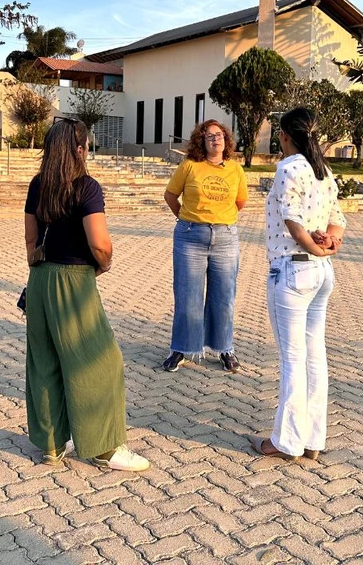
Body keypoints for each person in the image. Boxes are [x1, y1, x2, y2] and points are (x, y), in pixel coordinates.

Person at [23, 118, 150, 472]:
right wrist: (103, 265)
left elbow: (31, 243)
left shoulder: (38, 185)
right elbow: (99, 243)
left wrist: (42, 270)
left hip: (40, 280)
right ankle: (105, 447)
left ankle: (50, 446)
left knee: (44, 362)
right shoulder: (87, 188)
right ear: (80, 149)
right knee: (101, 362)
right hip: (74, 281)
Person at [251, 107, 346, 461]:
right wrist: (328, 246)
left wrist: (312, 247)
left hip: (292, 271)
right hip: (321, 275)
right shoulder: (324, 171)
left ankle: (285, 442)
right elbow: (337, 222)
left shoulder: (289, 167)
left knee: (293, 360)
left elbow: (292, 222)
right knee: (314, 357)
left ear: (285, 136)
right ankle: (312, 441)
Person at [162, 119, 249, 373]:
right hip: (190, 238)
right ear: (201, 140)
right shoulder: (189, 166)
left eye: (219, 135)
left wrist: (220, 219)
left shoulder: (235, 169)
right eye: (209, 135)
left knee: (224, 297)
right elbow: (170, 196)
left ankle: (225, 348)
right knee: (187, 296)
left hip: (225, 238)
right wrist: (187, 218)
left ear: (226, 140)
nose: (215, 139)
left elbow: (240, 202)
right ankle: (180, 348)